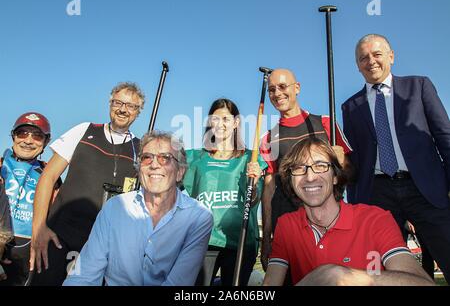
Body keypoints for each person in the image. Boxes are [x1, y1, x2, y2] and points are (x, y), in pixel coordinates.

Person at [341, 34, 450, 283]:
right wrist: (356, 203)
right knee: (384, 270)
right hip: (377, 194)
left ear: (391, 56)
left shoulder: (419, 86)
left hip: (425, 189)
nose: (371, 61)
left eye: (377, 54)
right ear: (357, 65)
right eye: (363, 58)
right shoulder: (350, 106)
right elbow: (355, 160)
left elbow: (445, 136)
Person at [262, 137, 434, 286]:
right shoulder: (286, 225)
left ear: (335, 176)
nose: (310, 177)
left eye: (320, 166)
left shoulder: (375, 219)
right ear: (290, 180)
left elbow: (423, 282)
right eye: (299, 168)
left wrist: (342, 277)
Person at [63, 131, 213, 286]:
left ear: (180, 172)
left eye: (165, 158)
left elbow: (178, 283)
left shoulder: (198, 217)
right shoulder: (114, 208)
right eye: (147, 157)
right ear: (139, 168)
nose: (154, 165)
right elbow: (85, 274)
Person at [31, 82, 144, 285]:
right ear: (110, 104)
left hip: (101, 247)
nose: (123, 109)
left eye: (131, 106)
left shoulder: (141, 149)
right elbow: (48, 177)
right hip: (58, 236)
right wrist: (39, 227)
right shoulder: (84, 130)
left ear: (138, 111)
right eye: (118, 102)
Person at [259, 68, 352, 271]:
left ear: (297, 88)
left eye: (283, 87)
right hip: (287, 223)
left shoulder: (325, 124)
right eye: (272, 89)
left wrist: (342, 163)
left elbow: (351, 173)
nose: (277, 94)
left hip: (328, 222)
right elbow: (268, 191)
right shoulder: (268, 138)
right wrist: (266, 239)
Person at [183, 98, 267, 286]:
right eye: (215, 118)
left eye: (226, 119)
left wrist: (253, 185)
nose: (220, 124)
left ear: (236, 122)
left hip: (241, 242)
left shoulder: (250, 157)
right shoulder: (195, 157)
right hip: (203, 240)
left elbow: (254, 201)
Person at [0, 112, 61, 286]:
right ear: (13, 136)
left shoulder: (50, 174)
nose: (28, 140)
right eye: (22, 133)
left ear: (46, 142)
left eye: (37, 136)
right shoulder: (0, 166)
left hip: (31, 253)